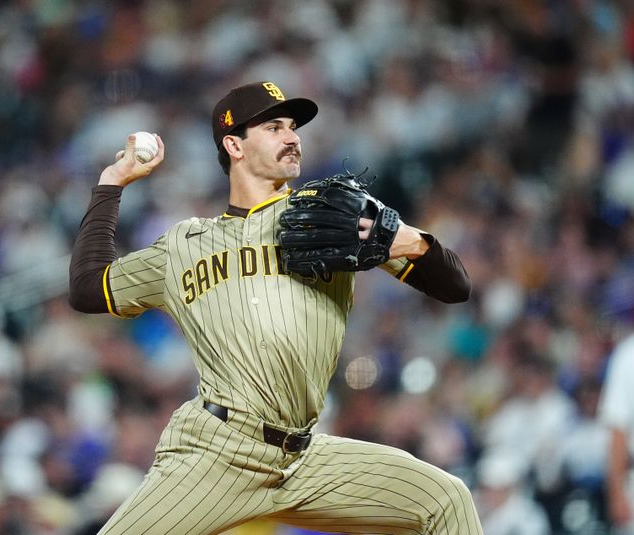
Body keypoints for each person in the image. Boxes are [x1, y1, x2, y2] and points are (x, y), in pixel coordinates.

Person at [68, 81, 483, 534]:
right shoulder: (184, 245)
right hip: (217, 452)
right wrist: (111, 184)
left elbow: (455, 286)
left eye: (293, 126)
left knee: (446, 499)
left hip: (303, 458)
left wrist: (409, 241)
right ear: (234, 144)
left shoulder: (329, 216)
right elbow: (88, 289)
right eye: (273, 126)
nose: (292, 137)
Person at [599, 276, 634, 535]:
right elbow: (618, 430)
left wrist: (616, 493)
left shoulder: (627, 354)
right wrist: (617, 493)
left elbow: (617, 430)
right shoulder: (627, 355)